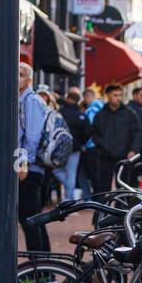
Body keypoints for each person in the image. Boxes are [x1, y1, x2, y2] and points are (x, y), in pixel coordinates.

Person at [17, 65, 51, 252]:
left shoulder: (30, 101)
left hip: (29, 168)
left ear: (29, 80)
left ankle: (37, 271)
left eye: (21, 75)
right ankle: (45, 270)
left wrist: (22, 164)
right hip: (29, 166)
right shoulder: (22, 100)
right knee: (35, 219)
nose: (17, 78)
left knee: (29, 220)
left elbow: (31, 137)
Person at [91, 83, 141, 195]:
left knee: (123, 187)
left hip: (124, 156)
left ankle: (121, 211)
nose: (118, 98)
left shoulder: (130, 114)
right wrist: (102, 147)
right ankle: (101, 211)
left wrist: (133, 150)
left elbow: (137, 133)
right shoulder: (100, 115)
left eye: (120, 95)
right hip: (105, 157)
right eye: (115, 95)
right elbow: (95, 134)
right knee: (103, 187)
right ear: (108, 95)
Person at [59, 88, 88, 200]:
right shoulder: (81, 116)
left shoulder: (61, 113)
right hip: (75, 148)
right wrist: (81, 143)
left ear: (68, 98)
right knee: (72, 173)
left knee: (56, 170)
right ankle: (69, 197)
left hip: (60, 147)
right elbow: (87, 132)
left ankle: (69, 195)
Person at [127, 85, 142, 159]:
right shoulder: (133, 110)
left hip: (137, 147)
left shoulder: (141, 109)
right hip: (133, 148)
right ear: (135, 95)